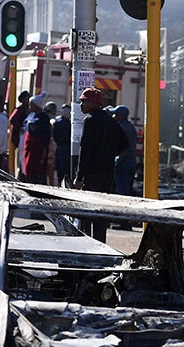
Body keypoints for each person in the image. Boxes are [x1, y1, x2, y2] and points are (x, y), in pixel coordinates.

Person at [74, 87, 129, 243]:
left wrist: (79, 177)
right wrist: (109, 153)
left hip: (92, 174)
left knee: (87, 211)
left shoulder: (90, 120)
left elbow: (86, 151)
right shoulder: (111, 121)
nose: (81, 105)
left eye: (84, 101)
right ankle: (99, 243)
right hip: (107, 173)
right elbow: (125, 143)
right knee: (101, 211)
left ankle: (87, 243)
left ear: (93, 103)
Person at [22, 92, 51, 185]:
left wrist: (44, 150)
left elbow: (46, 135)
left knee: (38, 169)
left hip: (38, 148)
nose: (29, 106)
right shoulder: (30, 116)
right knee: (29, 168)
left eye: (32, 105)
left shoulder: (44, 118)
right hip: (29, 148)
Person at [112, 105, 138, 198]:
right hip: (131, 161)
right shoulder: (130, 126)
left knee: (122, 190)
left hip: (124, 162)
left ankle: (124, 209)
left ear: (120, 115)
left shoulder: (123, 128)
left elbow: (123, 148)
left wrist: (116, 163)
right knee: (126, 187)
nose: (114, 116)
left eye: (115, 114)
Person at [9, 91, 31, 179]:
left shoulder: (27, 109)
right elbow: (12, 119)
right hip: (19, 139)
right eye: (27, 99)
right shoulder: (20, 109)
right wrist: (19, 128)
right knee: (20, 158)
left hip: (24, 138)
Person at [52, 104, 72, 187]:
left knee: (60, 171)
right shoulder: (71, 125)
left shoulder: (57, 124)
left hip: (60, 149)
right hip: (68, 150)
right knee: (68, 171)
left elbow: (55, 137)